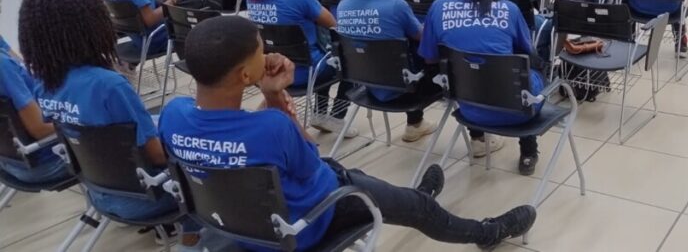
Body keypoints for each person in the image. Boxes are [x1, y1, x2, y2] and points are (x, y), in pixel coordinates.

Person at [159, 16, 536, 251]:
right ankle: (486, 233)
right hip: (311, 220)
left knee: (363, 179)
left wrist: (270, 94)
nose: (267, 53)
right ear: (245, 75)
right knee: (403, 203)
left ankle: (410, 198)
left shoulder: (173, 115)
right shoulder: (272, 127)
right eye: (261, 51)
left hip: (244, 225)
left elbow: (239, 143)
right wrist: (275, 96)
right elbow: (312, 165)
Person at [18, 0, 200, 246]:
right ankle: (192, 238)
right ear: (92, 24)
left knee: (157, 120)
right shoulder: (109, 86)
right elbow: (155, 155)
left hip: (99, 190)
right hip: (147, 198)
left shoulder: (43, 83)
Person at [418, 0, 545, 176]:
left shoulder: (439, 7)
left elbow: (430, 58)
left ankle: (477, 137)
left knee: (469, 69)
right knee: (529, 72)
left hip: (468, 109)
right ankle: (528, 151)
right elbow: (527, 54)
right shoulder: (509, 10)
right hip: (519, 111)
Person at [235, 0, 354, 137]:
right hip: (305, 72)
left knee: (321, 55)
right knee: (350, 62)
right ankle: (335, 117)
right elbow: (334, 25)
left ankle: (320, 114)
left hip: (271, 72)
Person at [336, 0, 438, 142]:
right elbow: (423, 37)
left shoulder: (343, 5)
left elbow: (383, 24)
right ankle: (475, 134)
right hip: (407, 88)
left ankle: (415, 123)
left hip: (368, 83)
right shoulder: (396, 6)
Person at [0, 27, 66, 184]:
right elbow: (40, 130)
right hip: (44, 161)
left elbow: (27, 70)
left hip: (10, 161)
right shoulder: (3, 66)